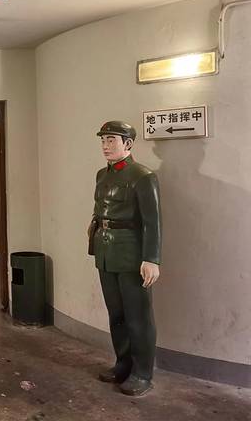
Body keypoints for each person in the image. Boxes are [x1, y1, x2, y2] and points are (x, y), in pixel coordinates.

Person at [89, 121, 161, 396]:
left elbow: (152, 222)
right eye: (103, 140)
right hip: (106, 251)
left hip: (131, 254)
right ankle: (123, 364)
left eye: (112, 140)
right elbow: (100, 209)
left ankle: (142, 373)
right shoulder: (102, 175)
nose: (106, 146)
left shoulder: (143, 176)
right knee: (117, 313)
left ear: (128, 144)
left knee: (138, 315)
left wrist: (151, 258)